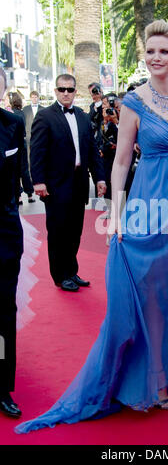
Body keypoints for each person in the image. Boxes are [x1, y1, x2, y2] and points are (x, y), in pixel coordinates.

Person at [15, 20, 168, 435]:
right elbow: (121, 161)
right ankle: (158, 382)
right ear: (145, 56)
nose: (156, 57)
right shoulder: (134, 102)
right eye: (150, 51)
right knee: (154, 296)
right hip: (151, 207)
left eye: (164, 51)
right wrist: (117, 214)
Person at [29, 74, 107, 292]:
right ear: (55, 91)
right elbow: (36, 152)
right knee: (57, 232)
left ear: (75, 92)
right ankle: (60, 275)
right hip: (55, 185)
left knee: (75, 231)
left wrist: (100, 177)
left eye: (70, 90)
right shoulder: (45, 116)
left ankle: (71, 272)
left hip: (79, 183)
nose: (65, 93)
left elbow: (92, 151)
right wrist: (38, 182)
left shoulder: (82, 117)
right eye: (61, 89)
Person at [0, 67, 24, 418]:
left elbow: (17, 175)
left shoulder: (12, 123)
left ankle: (2, 384)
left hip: (3, 234)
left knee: (3, 312)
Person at [8, 92, 35, 205]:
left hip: (13, 145)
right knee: (24, 170)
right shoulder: (22, 113)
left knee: (15, 171)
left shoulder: (10, 114)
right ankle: (29, 194)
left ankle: (18, 196)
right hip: (22, 144)